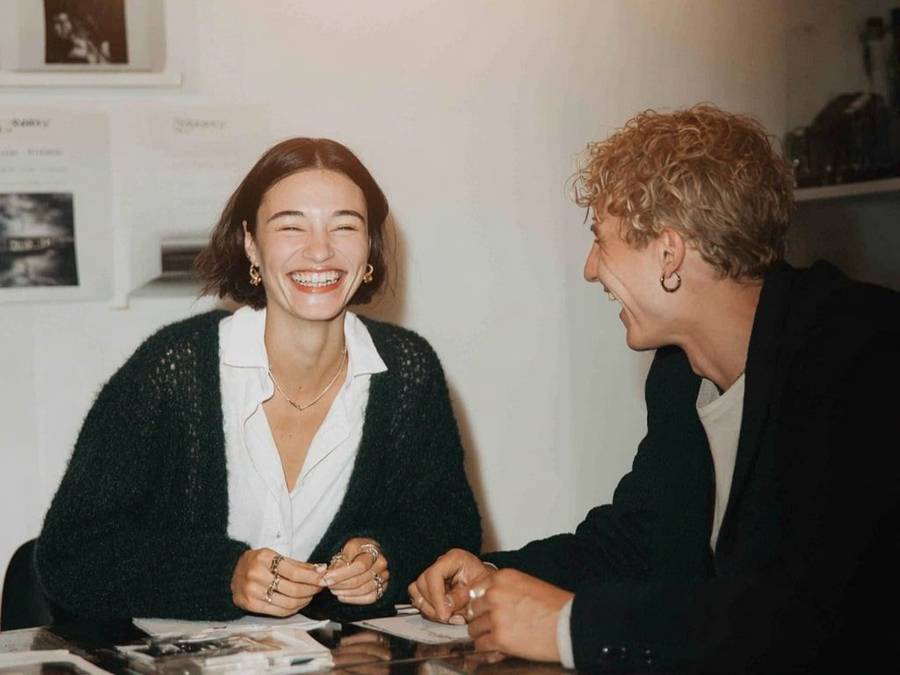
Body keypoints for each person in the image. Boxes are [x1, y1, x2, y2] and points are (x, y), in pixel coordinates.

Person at [410, 104, 900, 672]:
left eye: (601, 241)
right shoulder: (679, 376)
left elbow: (809, 615)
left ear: (669, 252)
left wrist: (568, 627)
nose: (591, 269)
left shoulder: (861, 352)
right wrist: (493, 578)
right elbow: (635, 543)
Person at [36, 137, 481, 622]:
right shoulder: (173, 369)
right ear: (251, 242)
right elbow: (70, 555)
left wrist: (384, 556)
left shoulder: (408, 371)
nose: (320, 251)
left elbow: (450, 534)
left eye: (345, 226)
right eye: (291, 226)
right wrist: (224, 574)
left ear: (370, 244)